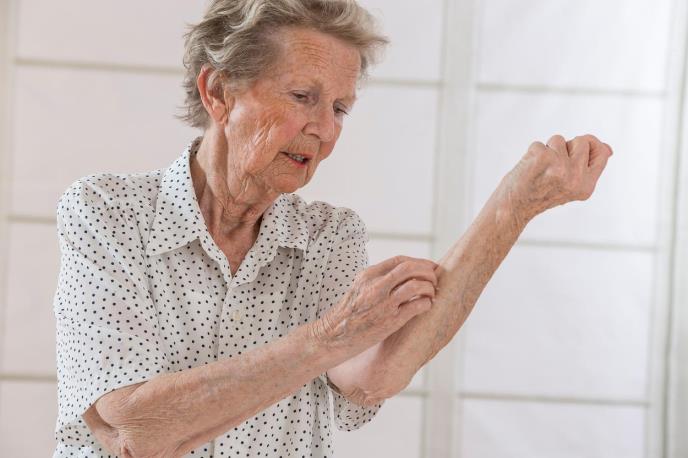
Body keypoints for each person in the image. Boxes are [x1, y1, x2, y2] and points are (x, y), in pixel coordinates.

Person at [52, 0, 613, 456]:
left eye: (340, 109)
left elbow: (369, 377)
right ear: (218, 92)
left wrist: (511, 209)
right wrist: (330, 336)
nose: (323, 129)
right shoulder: (107, 212)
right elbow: (134, 427)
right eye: (303, 97)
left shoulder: (329, 235)